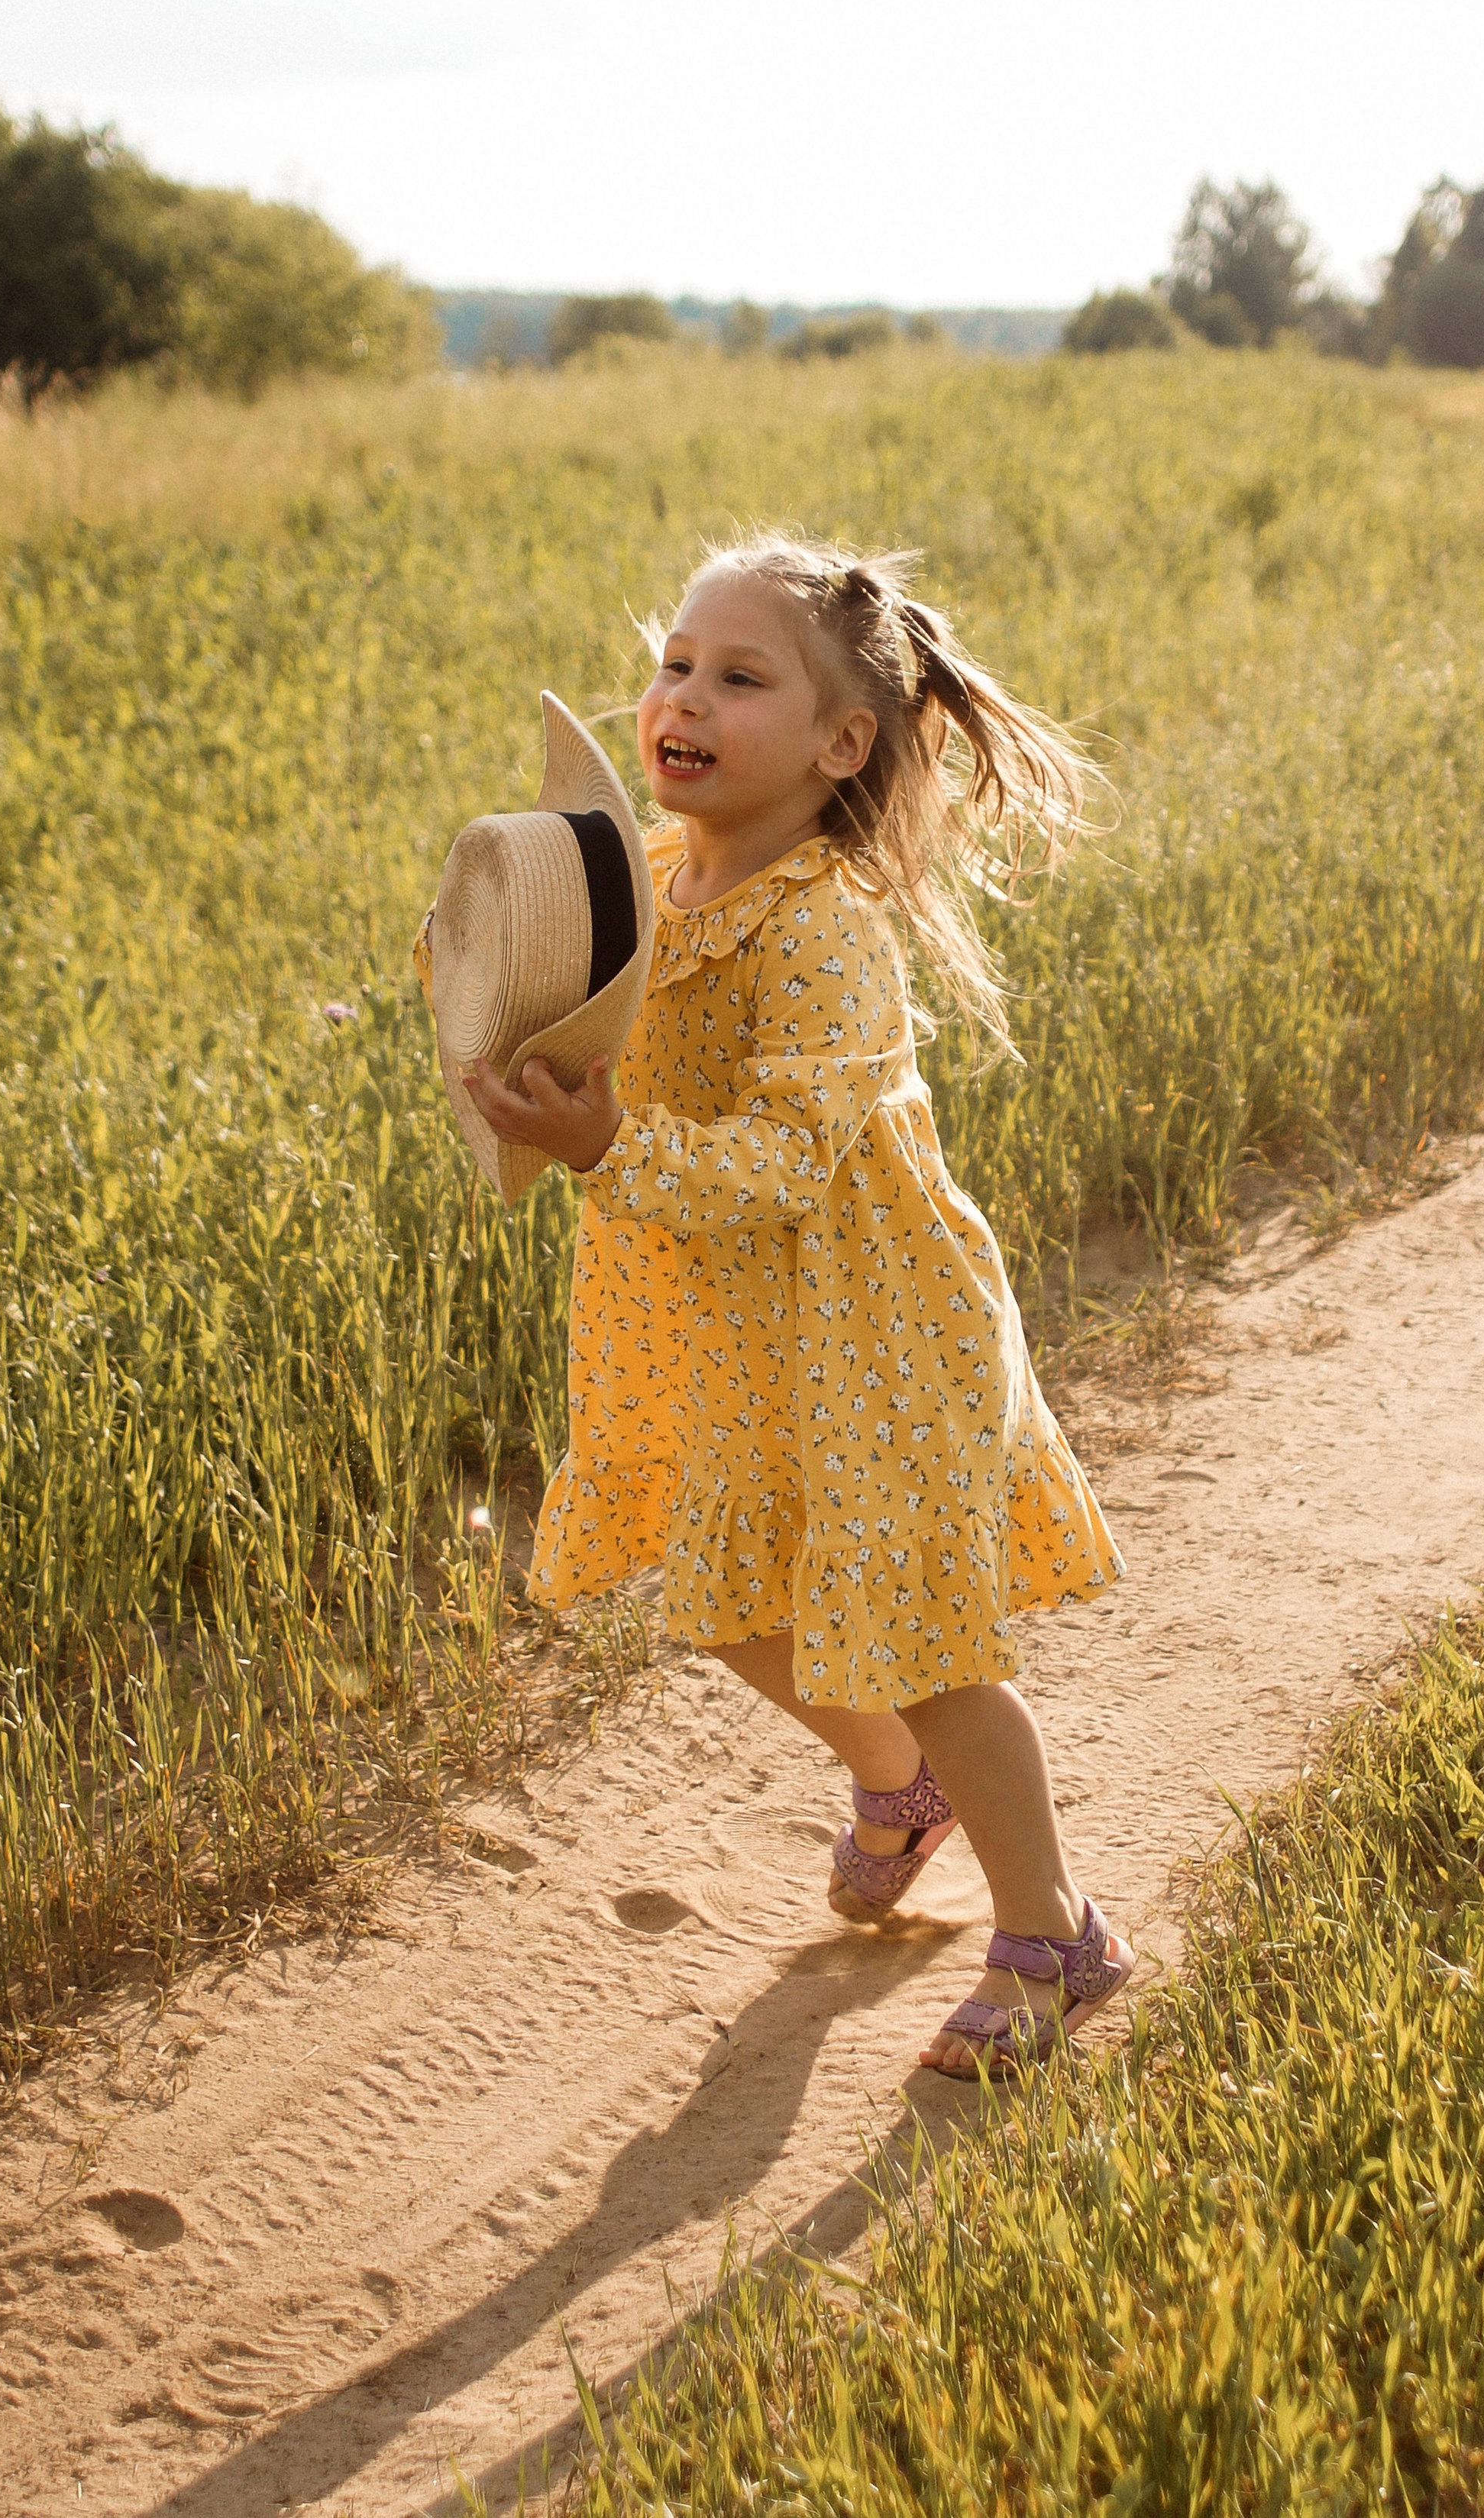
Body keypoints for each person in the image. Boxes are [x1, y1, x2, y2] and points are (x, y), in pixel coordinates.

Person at [459, 534, 1130, 2074]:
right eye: (674, 664)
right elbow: (567, 1010)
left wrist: (607, 1140)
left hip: (873, 1329)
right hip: (715, 1324)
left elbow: (778, 1164)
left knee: (929, 1642)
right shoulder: (637, 880)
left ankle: (1051, 1930)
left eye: (736, 676)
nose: (682, 696)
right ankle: (897, 1786)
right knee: (730, 1594)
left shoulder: (823, 931)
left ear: (840, 744)